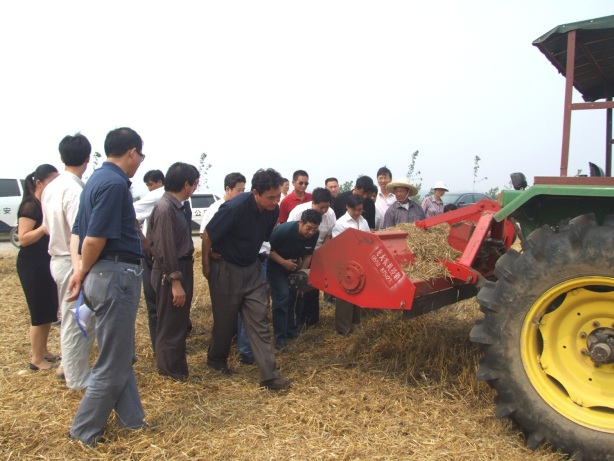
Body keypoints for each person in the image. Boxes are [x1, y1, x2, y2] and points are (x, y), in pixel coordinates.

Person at [66, 127, 147, 446]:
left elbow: (77, 232)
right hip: (115, 275)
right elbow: (93, 238)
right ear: (132, 152)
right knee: (113, 362)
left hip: (101, 275)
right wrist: (81, 272)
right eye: (140, 155)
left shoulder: (95, 181)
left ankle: (132, 421)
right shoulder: (114, 184)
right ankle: (83, 430)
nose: (139, 161)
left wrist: (81, 271)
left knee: (119, 353)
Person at [202, 168, 291, 390]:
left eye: (277, 196)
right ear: (255, 193)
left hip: (252, 268)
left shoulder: (273, 210)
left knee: (259, 319)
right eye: (270, 197)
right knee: (224, 321)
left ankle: (269, 376)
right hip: (226, 268)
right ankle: (216, 359)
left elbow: (263, 237)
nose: (275, 201)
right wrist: (206, 264)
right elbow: (208, 234)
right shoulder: (234, 208)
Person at [41, 133, 94, 388]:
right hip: (73, 261)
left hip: (58, 258)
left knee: (70, 316)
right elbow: (78, 234)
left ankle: (67, 367)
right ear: (88, 158)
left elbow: (47, 227)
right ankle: (77, 377)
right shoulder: (76, 191)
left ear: (62, 157)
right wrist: (80, 269)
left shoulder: (51, 187)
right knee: (77, 321)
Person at [148, 163, 199, 381]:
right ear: (186, 184)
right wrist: (175, 282)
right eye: (194, 184)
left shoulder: (176, 207)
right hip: (171, 271)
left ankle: (176, 368)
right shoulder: (165, 209)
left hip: (180, 267)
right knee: (170, 323)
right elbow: (164, 248)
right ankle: (170, 371)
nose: (195, 188)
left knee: (178, 322)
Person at [198, 172, 255, 365]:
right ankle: (218, 353)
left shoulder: (243, 208)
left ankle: (238, 343)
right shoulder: (216, 208)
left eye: (244, 190)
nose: (242, 193)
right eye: (239, 190)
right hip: (222, 264)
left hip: (241, 265)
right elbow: (205, 235)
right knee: (224, 312)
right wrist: (208, 257)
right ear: (228, 189)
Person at [17, 164, 60, 371]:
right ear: (39, 183)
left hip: (45, 262)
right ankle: (36, 358)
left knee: (48, 309)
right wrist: (43, 228)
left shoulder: (45, 203)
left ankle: (43, 350)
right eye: (52, 181)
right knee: (38, 311)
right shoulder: (30, 205)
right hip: (31, 264)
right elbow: (23, 239)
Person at [268, 209, 321, 349]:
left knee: (294, 296)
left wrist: (300, 277)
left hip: (294, 265)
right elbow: (268, 250)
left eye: (314, 229)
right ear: (301, 223)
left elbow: (308, 255)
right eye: (308, 228)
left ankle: (291, 330)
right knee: (282, 297)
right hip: (276, 265)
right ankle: (280, 338)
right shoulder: (284, 230)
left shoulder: (315, 234)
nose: (311, 232)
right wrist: (284, 262)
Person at [288, 187, 335, 326]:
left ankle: (312, 321)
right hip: (299, 253)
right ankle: (296, 321)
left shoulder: (330, 214)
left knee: (313, 287)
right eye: (321, 207)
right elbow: (290, 234)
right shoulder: (298, 212)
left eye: (327, 207)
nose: (324, 210)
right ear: (313, 203)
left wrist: (322, 255)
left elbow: (328, 236)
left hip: (318, 253)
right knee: (298, 286)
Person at [133, 170, 166, 353]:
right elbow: (131, 213)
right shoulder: (158, 196)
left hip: (166, 256)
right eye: (148, 186)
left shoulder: (168, 196)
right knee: (156, 301)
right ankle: (159, 347)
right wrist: (144, 241)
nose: (150, 189)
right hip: (153, 255)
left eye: (151, 184)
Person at [332, 194, 370, 335]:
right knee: (345, 294)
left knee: (358, 291)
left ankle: (356, 322)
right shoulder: (341, 224)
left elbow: (368, 238)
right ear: (347, 207)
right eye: (355, 210)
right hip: (346, 263)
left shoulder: (363, 221)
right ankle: (343, 328)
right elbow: (339, 245)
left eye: (360, 210)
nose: (358, 212)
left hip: (361, 261)